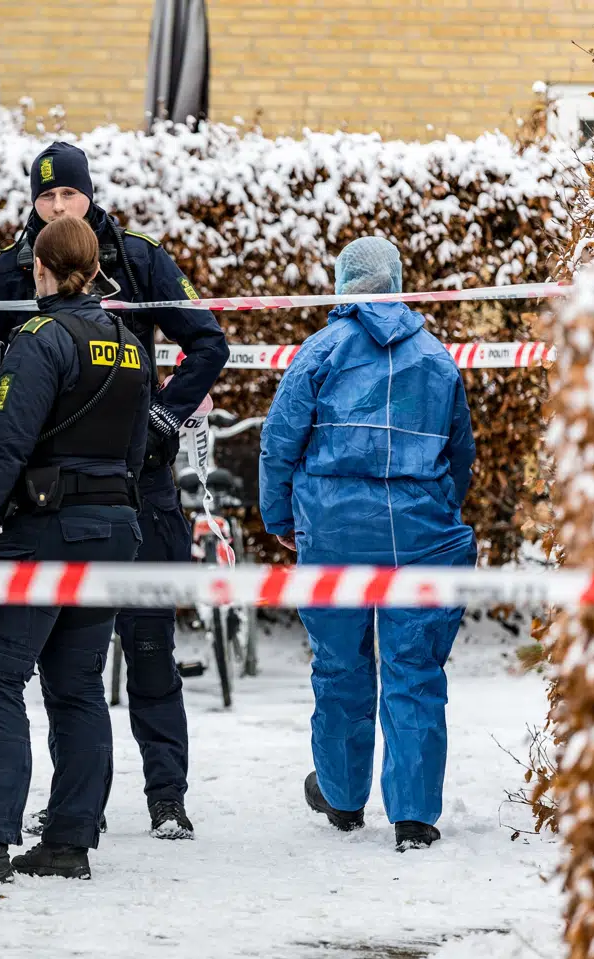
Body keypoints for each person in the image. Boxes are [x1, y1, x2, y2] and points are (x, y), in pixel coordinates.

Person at [0, 141, 227, 840]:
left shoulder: (138, 258)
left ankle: (167, 795)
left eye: (67, 194)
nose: (56, 206)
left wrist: (162, 419)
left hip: (141, 483)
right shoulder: (10, 269)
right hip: (48, 493)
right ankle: (79, 810)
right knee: (70, 669)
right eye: (45, 196)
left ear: (89, 194)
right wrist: (14, 431)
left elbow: (208, 343)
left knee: (149, 646)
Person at [0, 216, 149, 883]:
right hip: (114, 530)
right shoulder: (131, 344)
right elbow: (138, 449)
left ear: (40, 268)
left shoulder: (40, 339)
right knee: (78, 686)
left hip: (49, 529)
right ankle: (69, 843)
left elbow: (6, 442)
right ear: (95, 270)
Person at [257, 236, 477, 852]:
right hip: (421, 534)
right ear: (399, 282)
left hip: (332, 532)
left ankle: (342, 797)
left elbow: (280, 442)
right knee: (415, 668)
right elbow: (460, 452)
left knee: (340, 666)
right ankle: (414, 816)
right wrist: (438, 509)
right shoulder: (436, 358)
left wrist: (280, 518)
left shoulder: (320, 350)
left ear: (342, 283)